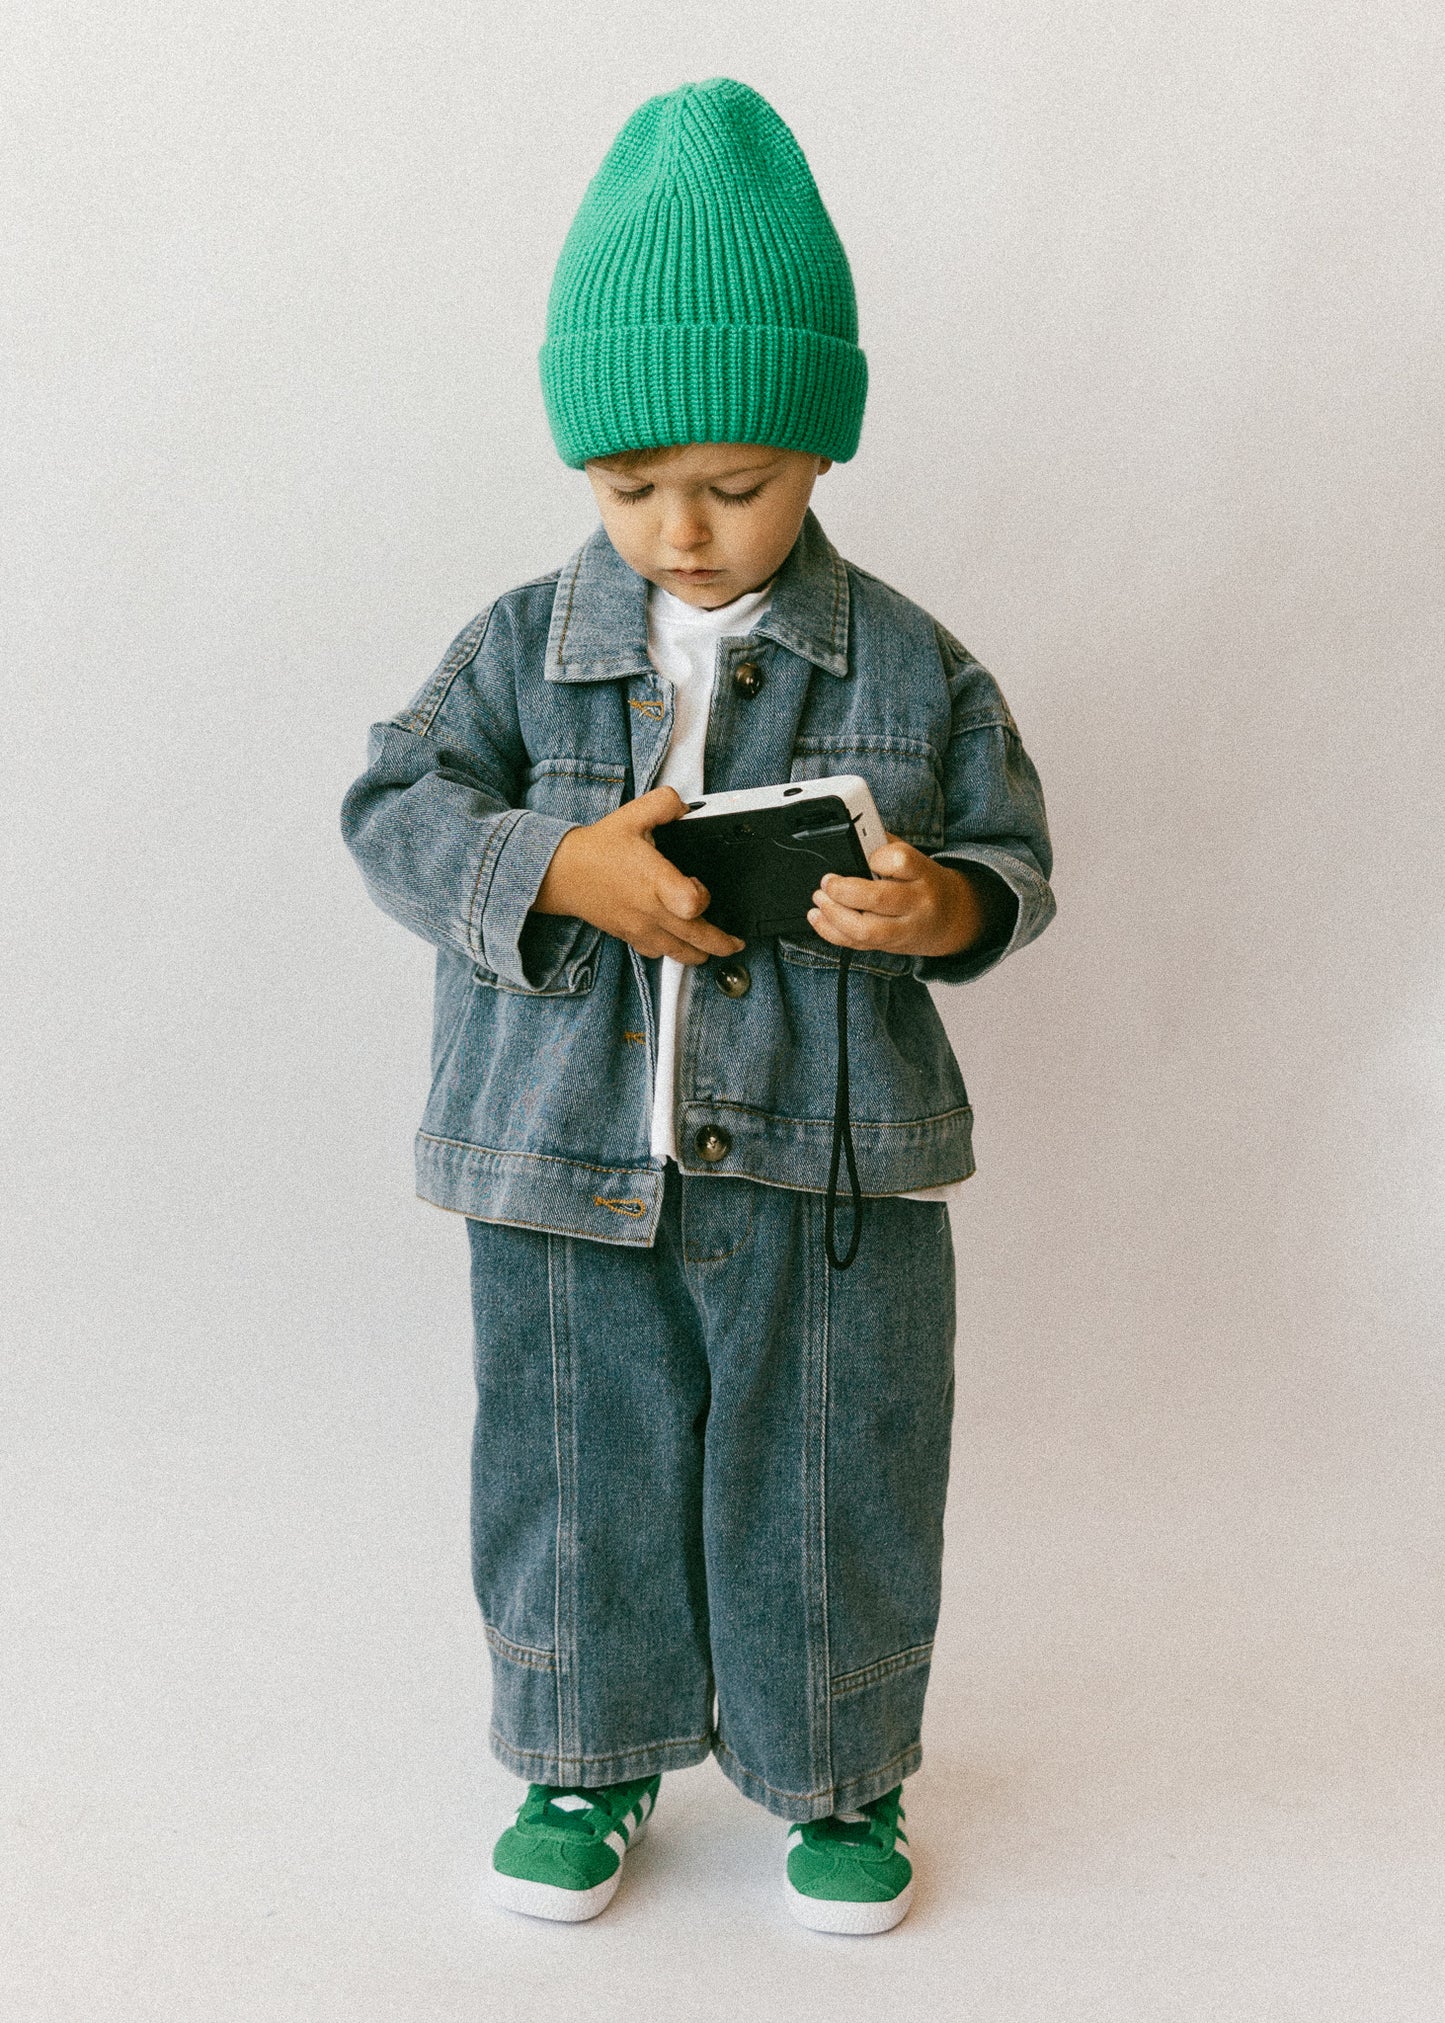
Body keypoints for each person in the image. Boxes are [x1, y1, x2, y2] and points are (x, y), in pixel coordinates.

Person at [341, 76, 1054, 1935]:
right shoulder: (519, 647)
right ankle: (585, 1756)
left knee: (834, 1478)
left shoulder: (910, 663)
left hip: (828, 1178)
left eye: (733, 486)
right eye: (628, 484)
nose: (679, 527)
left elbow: (1010, 860)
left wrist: (938, 906)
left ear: (817, 452)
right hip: (555, 1166)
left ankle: (839, 1774)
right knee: (573, 1469)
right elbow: (393, 809)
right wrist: (554, 867)